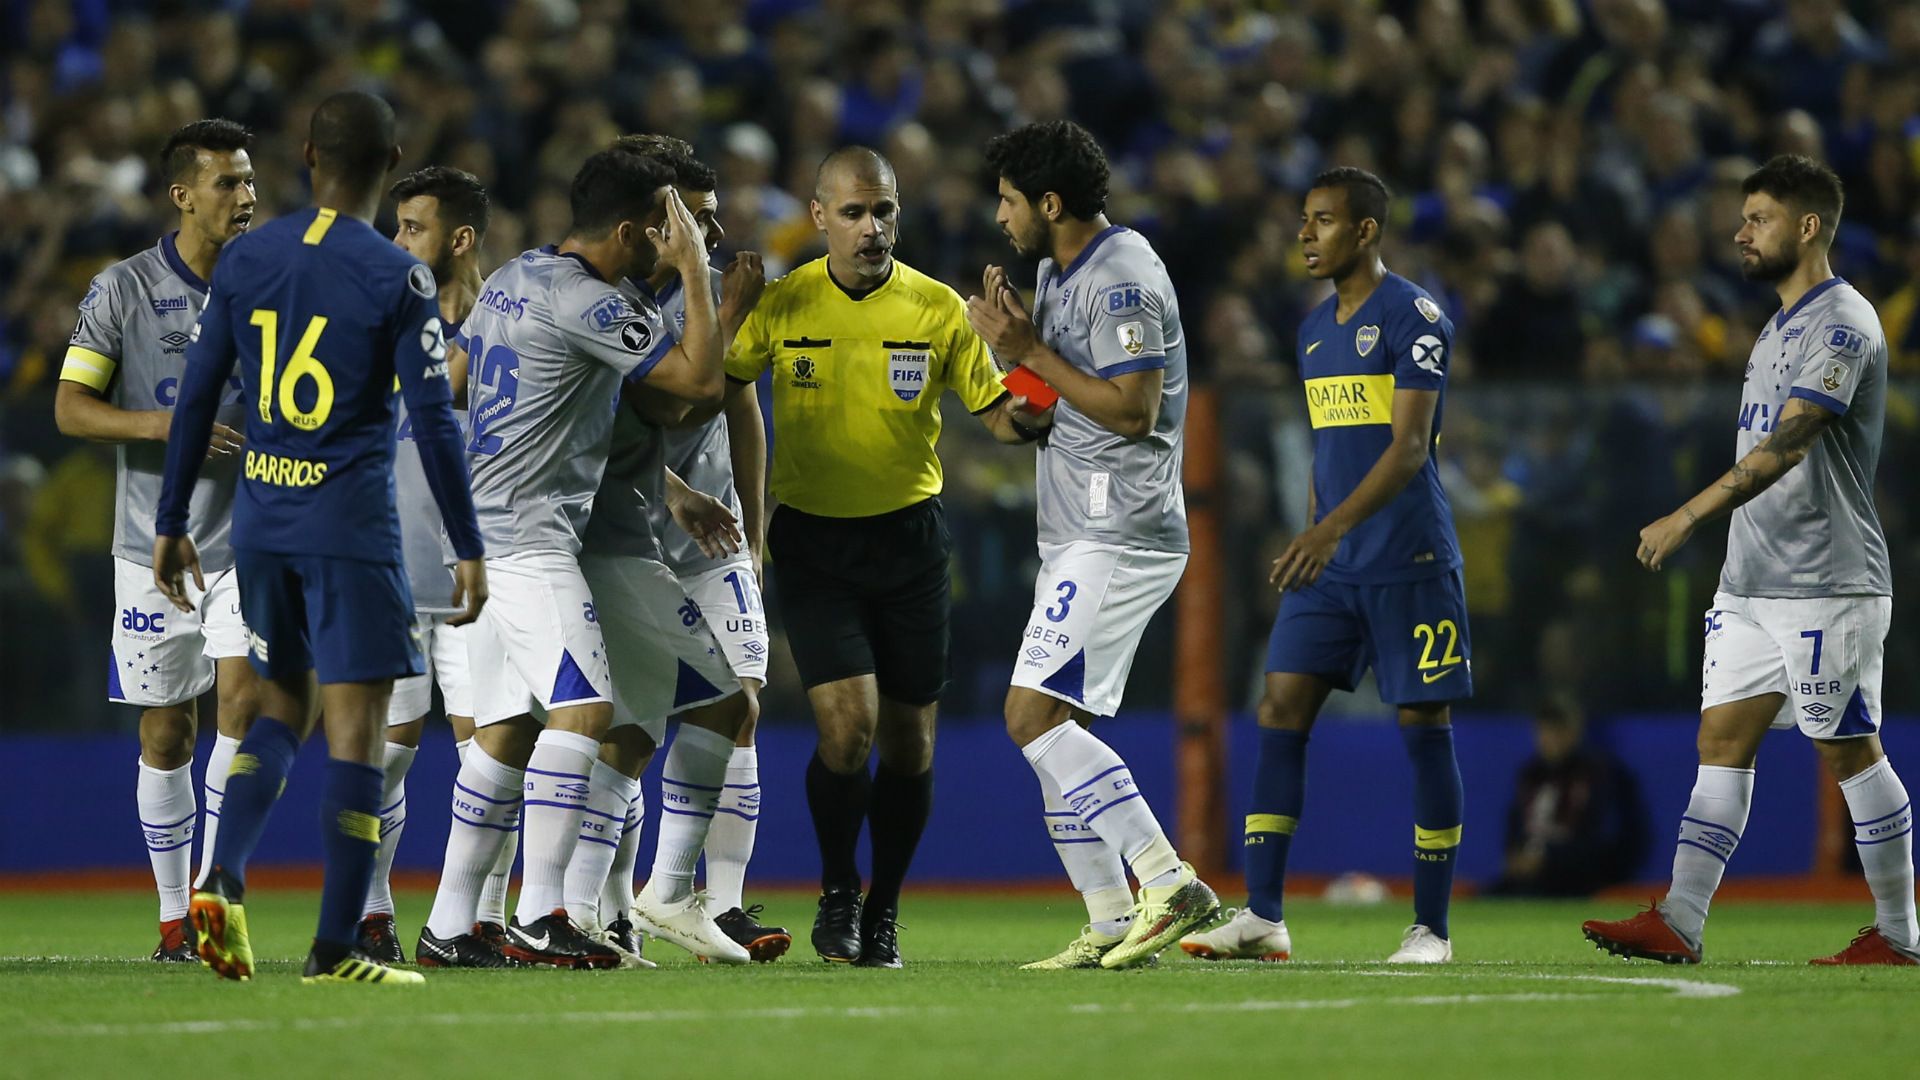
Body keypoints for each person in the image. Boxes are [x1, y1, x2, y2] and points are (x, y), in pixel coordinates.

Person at [157, 91, 486, 986]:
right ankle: (337, 949)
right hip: (350, 528)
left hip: (262, 522)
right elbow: (434, 418)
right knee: (357, 731)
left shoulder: (248, 256)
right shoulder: (395, 276)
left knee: (277, 705)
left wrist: (170, 520)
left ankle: (222, 876)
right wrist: (468, 544)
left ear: (306, 154)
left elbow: (195, 398)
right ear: (394, 157)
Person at [1584, 155, 1913, 966]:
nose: (1739, 232)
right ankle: (1682, 919)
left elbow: (1794, 439)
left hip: (1826, 581)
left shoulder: (1844, 322)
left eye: (1757, 218)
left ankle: (1902, 932)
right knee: (1721, 742)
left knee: (1845, 748)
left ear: (1807, 227)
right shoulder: (1775, 324)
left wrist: (1689, 514)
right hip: (1752, 583)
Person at [416, 147, 737, 969]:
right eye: (661, 233)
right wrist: (698, 274)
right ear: (629, 229)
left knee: (508, 733)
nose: (668, 244)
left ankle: (451, 925)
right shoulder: (590, 303)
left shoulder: (516, 276)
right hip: (531, 539)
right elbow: (701, 385)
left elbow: (454, 383)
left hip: (478, 536)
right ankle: (543, 911)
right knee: (586, 715)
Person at [722, 145, 1037, 966]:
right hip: (815, 542)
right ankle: (837, 891)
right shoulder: (781, 305)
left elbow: (1001, 415)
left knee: (911, 747)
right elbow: (712, 385)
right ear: (819, 216)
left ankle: (884, 909)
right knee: (848, 730)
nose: (872, 228)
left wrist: (1038, 378)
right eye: (855, 212)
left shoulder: (935, 308)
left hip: (910, 544)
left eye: (884, 211)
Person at [1180, 167, 1470, 966]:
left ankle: (1430, 930)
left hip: (1410, 560)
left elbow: (1409, 450)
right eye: (1304, 220)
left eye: (1323, 221)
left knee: (1423, 727)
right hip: (1332, 564)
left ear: (1366, 231)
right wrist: (1316, 532)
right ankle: (1265, 916)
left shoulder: (1415, 317)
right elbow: (1324, 449)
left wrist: (1329, 530)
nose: (1305, 235)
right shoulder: (1311, 331)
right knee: (1279, 707)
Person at [965, 119, 1218, 970]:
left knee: (1028, 715)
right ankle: (1112, 918)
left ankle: (1164, 877)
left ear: (1049, 201)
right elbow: (1058, 398)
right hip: (1077, 528)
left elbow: (1133, 410)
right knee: (1053, 726)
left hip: (1122, 529)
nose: (999, 216)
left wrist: (1028, 346)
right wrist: (1020, 389)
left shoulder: (1122, 281)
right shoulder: (1054, 268)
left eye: (1007, 200)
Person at [563, 133, 788, 963]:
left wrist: (753, 532)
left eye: (713, 218)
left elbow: (737, 408)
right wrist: (725, 312)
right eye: (695, 219)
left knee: (740, 705)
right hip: (630, 536)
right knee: (633, 725)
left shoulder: (664, 289)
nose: (711, 236)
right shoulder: (615, 304)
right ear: (654, 224)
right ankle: (604, 902)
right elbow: (666, 413)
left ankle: (706, 901)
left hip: (713, 537)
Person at [53, 118, 261, 963]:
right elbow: (71, 409)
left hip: (255, 541)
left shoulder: (275, 283)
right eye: (227, 183)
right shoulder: (122, 289)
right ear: (183, 195)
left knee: (243, 707)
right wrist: (164, 424)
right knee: (167, 734)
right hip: (151, 546)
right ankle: (175, 918)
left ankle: (217, 895)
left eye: (250, 181)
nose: (246, 198)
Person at [354, 165, 494, 965]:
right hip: (398, 562)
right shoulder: (379, 316)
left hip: (486, 568)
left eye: (413, 226)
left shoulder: (512, 317)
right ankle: (373, 912)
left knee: (491, 751)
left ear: (459, 238)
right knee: (392, 749)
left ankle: (466, 922)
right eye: (396, 225)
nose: (398, 240)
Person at [1490, 696, 1648, 897]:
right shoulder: (1531, 774)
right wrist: (1516, 856)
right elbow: (1515, 823)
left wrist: (1551, 859)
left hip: (1577, 879)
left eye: (1559, 731)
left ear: (1575, 731)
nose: (1552, 739)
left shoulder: (1598, 774)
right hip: (1530, 878)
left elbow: (1605, 839)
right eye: (1546, 730)